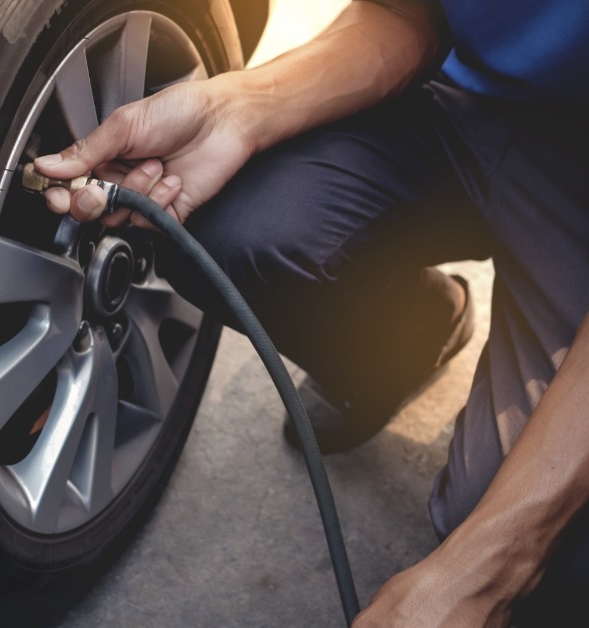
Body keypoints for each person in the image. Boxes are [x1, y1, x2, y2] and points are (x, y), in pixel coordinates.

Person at [34, 0, 589, 625]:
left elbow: (501, 553)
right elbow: (411, 14)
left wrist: (496, 566)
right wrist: (237, 109)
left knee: (547, 550)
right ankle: (414, 332)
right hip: (466, 97)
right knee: (226, 229)